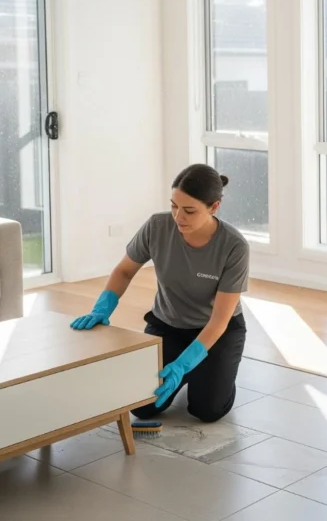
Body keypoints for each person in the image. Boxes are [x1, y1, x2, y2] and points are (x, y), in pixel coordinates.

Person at [70, 164, 251, 423]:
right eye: (174, 206)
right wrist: (103, 308)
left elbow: (220, 321)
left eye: (189, 211)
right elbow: (124, 271)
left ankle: (214, 371)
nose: (178, 217)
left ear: (214, 208)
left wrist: (183, 364)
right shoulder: (157, 226)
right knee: (142, 407)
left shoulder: (234, 246)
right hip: (169, 325)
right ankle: (191, 369)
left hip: (215, 333)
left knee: (207, 410)